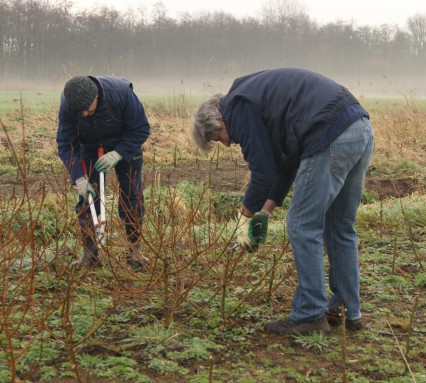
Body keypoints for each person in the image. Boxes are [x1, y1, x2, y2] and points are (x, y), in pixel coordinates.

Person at [191, 68, 374, 335]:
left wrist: (244, 218)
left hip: (329, 134)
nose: (227, 144)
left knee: (301, 224)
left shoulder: (237, 108)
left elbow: (263, 171)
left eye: (217, 139)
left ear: (217, 122)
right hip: (359, 129)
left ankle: (310, 314)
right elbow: (285, 165)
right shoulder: (257, 101)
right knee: (339, 226)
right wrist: (266, 211)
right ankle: (346, 309)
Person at [57, 75, 150, 269]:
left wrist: (119, 153)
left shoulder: (122, 94)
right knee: (87, 200)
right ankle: (90, 255)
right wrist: (78, 178)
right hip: (90, 146)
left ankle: (135, 251)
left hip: (126, 144)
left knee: (131, 194)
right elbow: (66, 143)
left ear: (97, 96)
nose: (83, 114)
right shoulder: (68, 104)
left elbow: (141, 129)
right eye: (79, 111)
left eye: (87, 108)